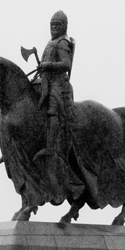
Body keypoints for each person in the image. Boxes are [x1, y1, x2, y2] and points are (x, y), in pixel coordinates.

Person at [33, 10, 76, 161]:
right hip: (46, 80)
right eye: (52, 25)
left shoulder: (62, 42)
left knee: (52, 111)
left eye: (58, 25)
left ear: (64, 26)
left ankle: (51, 148)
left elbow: (66, 64)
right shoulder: (50, 42)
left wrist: (48, 65)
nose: (54, 27)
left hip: (58, 83)